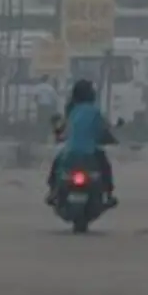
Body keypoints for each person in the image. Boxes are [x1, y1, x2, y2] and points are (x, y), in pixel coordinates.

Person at [45, 79, 117, 207]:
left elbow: (64, 130)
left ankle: (53, 191)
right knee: (106, 167)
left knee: (57, 165)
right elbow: (103, 129)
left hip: (70, 152)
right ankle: (109, 195)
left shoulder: (72, 111)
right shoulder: (95, 111)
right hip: (90, 153)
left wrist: (59, 134)